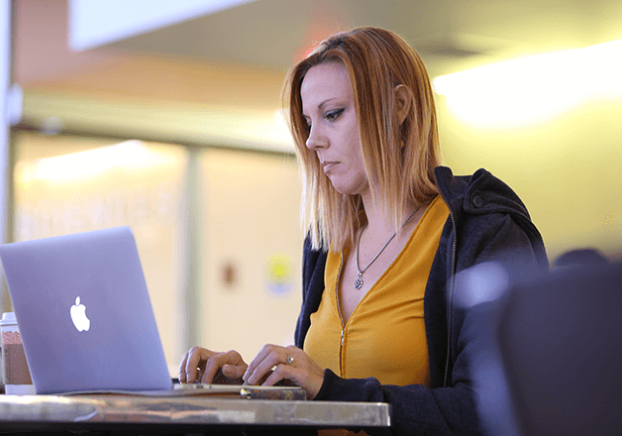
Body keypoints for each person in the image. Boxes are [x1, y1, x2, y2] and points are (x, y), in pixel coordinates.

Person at [179, 27, 549, 435]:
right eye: (307, 121)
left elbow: (495, 411)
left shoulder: (483, 231)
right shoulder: (326, 244)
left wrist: (329, 389)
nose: (313, 139)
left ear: (400, 106)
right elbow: (321, 404)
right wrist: (254, 388)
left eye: (332, 114)